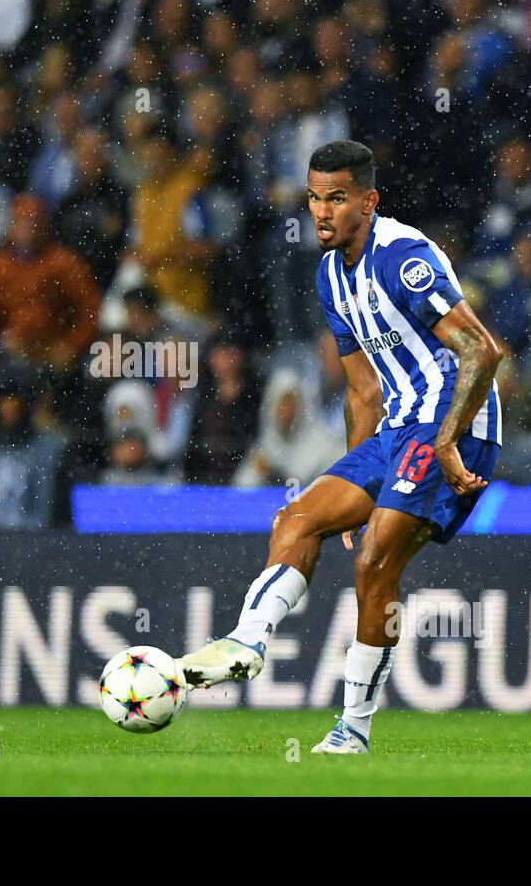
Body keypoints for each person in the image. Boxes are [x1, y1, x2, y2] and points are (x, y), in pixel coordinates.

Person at [178, 141, 503, 755]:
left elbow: (482, 351)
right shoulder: (330, 274)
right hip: (395, 431)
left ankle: (352, 729)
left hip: (452, 425)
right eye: (314, 198)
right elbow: (362, 391)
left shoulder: (403, 258)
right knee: (296, 519)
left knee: (375, 560)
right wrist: (360, 484)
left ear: (369, 201)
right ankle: (247, 642)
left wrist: (447, 440)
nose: (322, 212)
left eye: (337, 198)